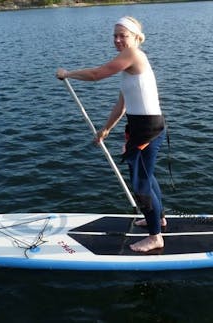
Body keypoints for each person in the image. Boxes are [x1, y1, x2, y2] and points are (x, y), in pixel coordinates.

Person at [56, 16, 167, 252]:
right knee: (146, 175)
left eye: (122, 35)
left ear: (136, 37)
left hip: (147, 127)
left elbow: (97, 74)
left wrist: (68, 73)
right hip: (141, 126)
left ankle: (155, 236)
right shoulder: (129, 66)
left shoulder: (133, 55)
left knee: (141, 183)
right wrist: (106, 129)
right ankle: (158, 219)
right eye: (114, 35)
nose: (117, 40)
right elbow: (123, 104)